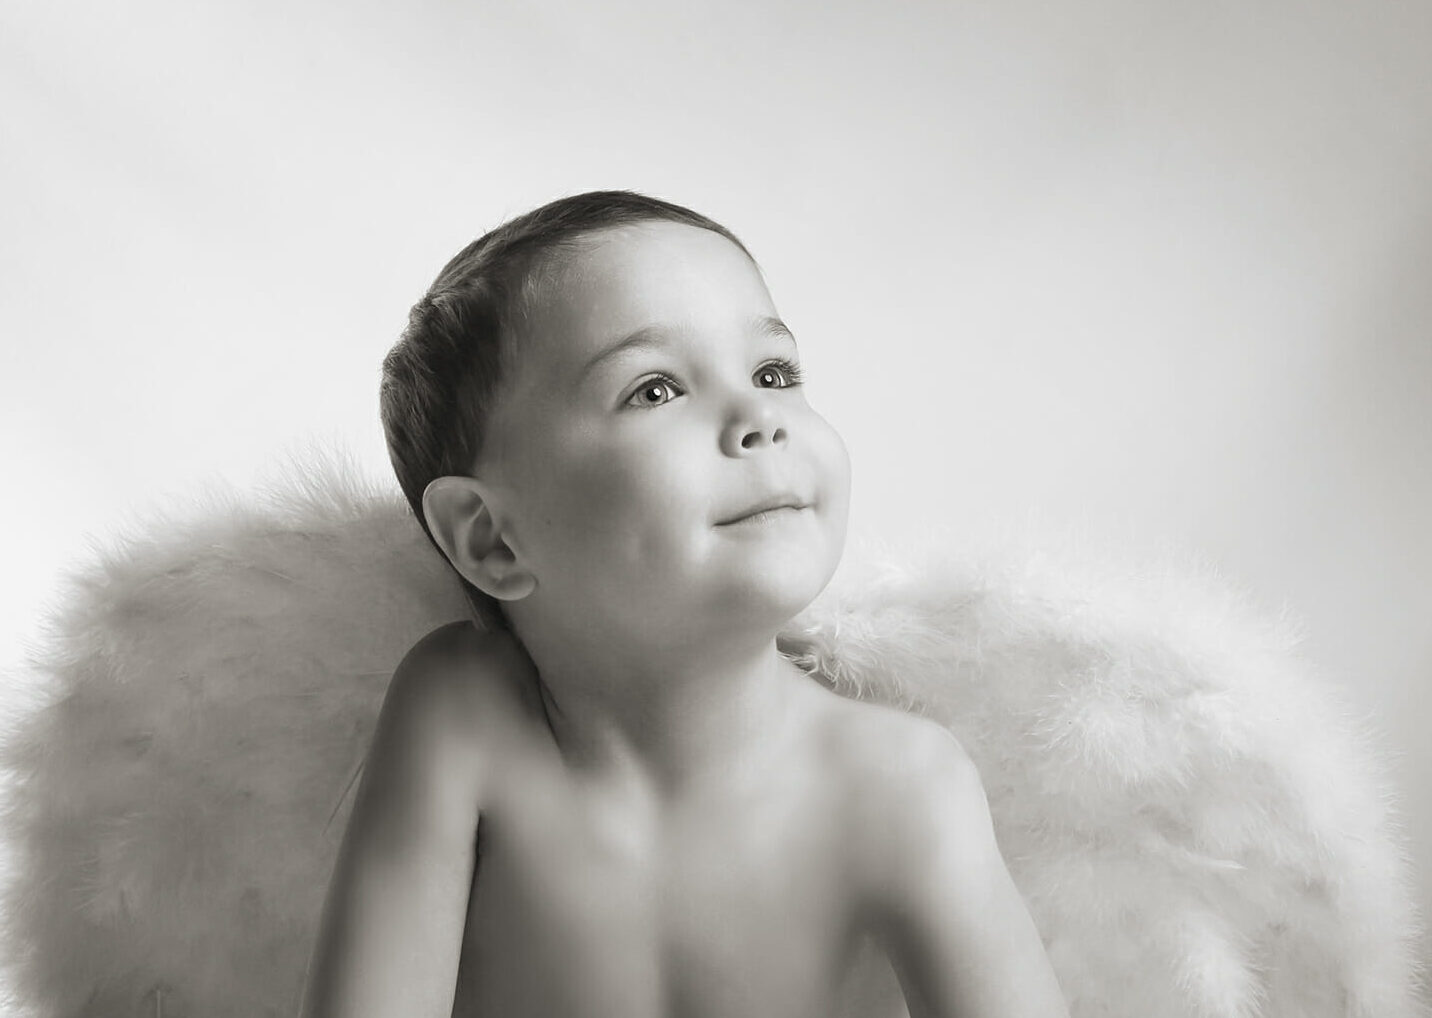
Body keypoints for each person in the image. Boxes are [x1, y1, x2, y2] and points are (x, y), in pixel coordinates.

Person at [299, 191, 1069, 1018]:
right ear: (492, 540)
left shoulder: (900, 785)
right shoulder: (464, 713)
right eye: (657, 389)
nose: (759, 418)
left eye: (773, 373)